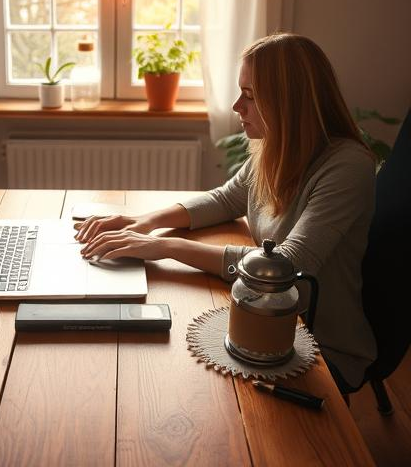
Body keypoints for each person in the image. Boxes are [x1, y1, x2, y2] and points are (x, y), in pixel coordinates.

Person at [75, 33, 377, 392]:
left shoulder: (346, 167)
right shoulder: (274, 147)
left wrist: (165, 248)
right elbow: (226, 198)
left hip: (318, 345)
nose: (237, 106)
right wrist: (148, 222)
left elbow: (287, 268)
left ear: (288, 103)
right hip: (265, 323)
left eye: (250, 96)